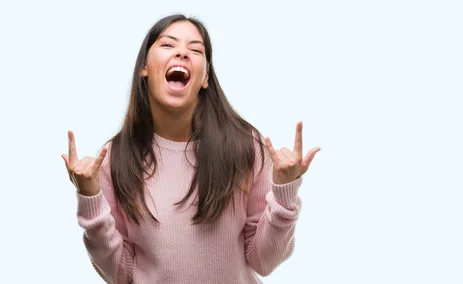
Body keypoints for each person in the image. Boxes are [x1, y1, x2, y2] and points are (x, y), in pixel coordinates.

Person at [61, 14, 320, 284]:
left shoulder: (244, 146)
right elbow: (120, 273)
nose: (182, 53)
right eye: (168, 45)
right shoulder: (115, 159)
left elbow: (264, 261)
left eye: (195, 50)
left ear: (205, 78)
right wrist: (90, 198)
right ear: (144, 68)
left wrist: (284, 193)